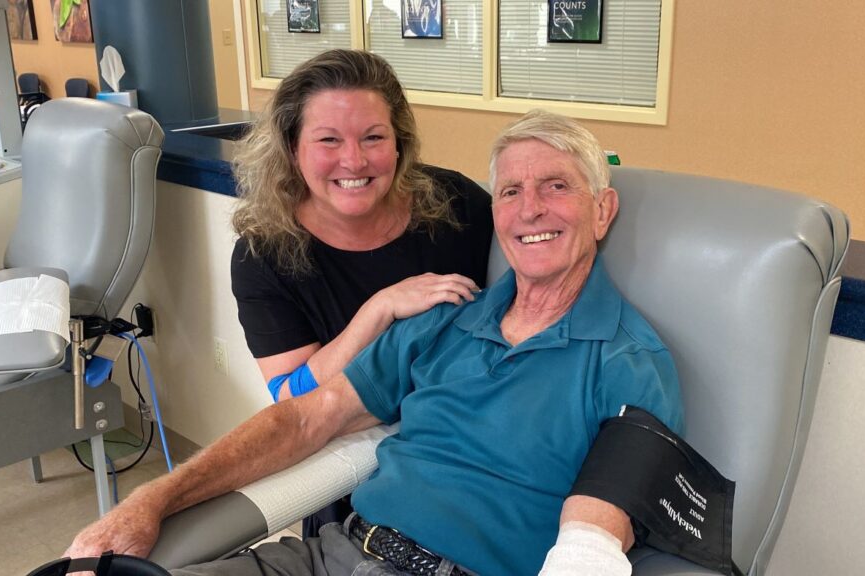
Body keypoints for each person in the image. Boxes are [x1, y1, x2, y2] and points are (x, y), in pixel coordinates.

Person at [65, 110, 683, 576]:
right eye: (512, 192)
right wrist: (151, 497)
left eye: (556, 187)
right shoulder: (447, 315)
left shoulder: (629, 361)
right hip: (333, 555)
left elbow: (596, 530)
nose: (529, 211)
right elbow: (308, 416)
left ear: (602, 211)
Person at [229, 49, 493, 536]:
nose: (354, 160)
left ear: (399, 145)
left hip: (469, 461)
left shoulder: (460, 209)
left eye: (373, 137)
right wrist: (379, 310)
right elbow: (293, 398)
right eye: (328, 140)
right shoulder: (265, 255)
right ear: (293, 148)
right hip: (352, 485)